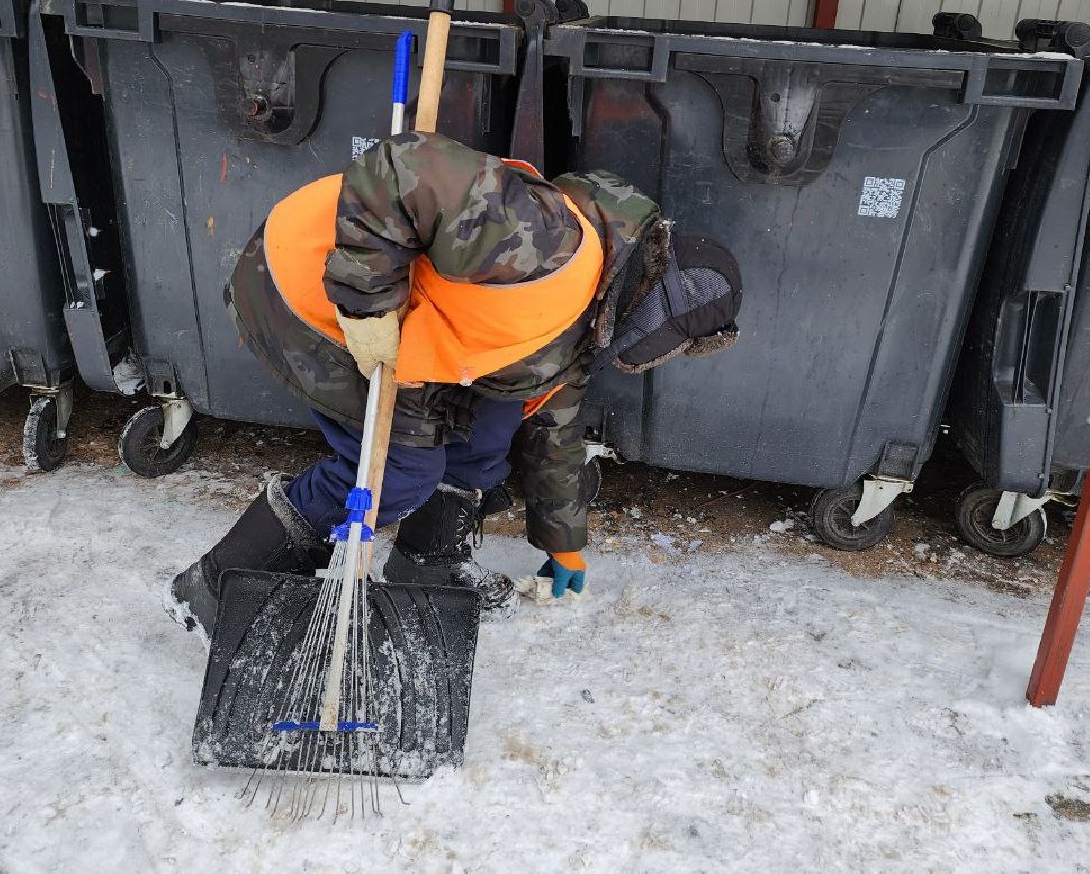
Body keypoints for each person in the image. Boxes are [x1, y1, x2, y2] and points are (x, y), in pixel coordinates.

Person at [170, 132, 742, 635]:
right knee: (399, 474)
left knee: (492, 422)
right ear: (656, 320)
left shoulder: (588, 315)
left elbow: (553, 424)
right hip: (310, 291)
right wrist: (367, 307)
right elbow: (398, 167)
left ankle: (429, 561)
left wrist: (563, 541)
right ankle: (218, 586)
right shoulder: (548, 244)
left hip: (404, 331)